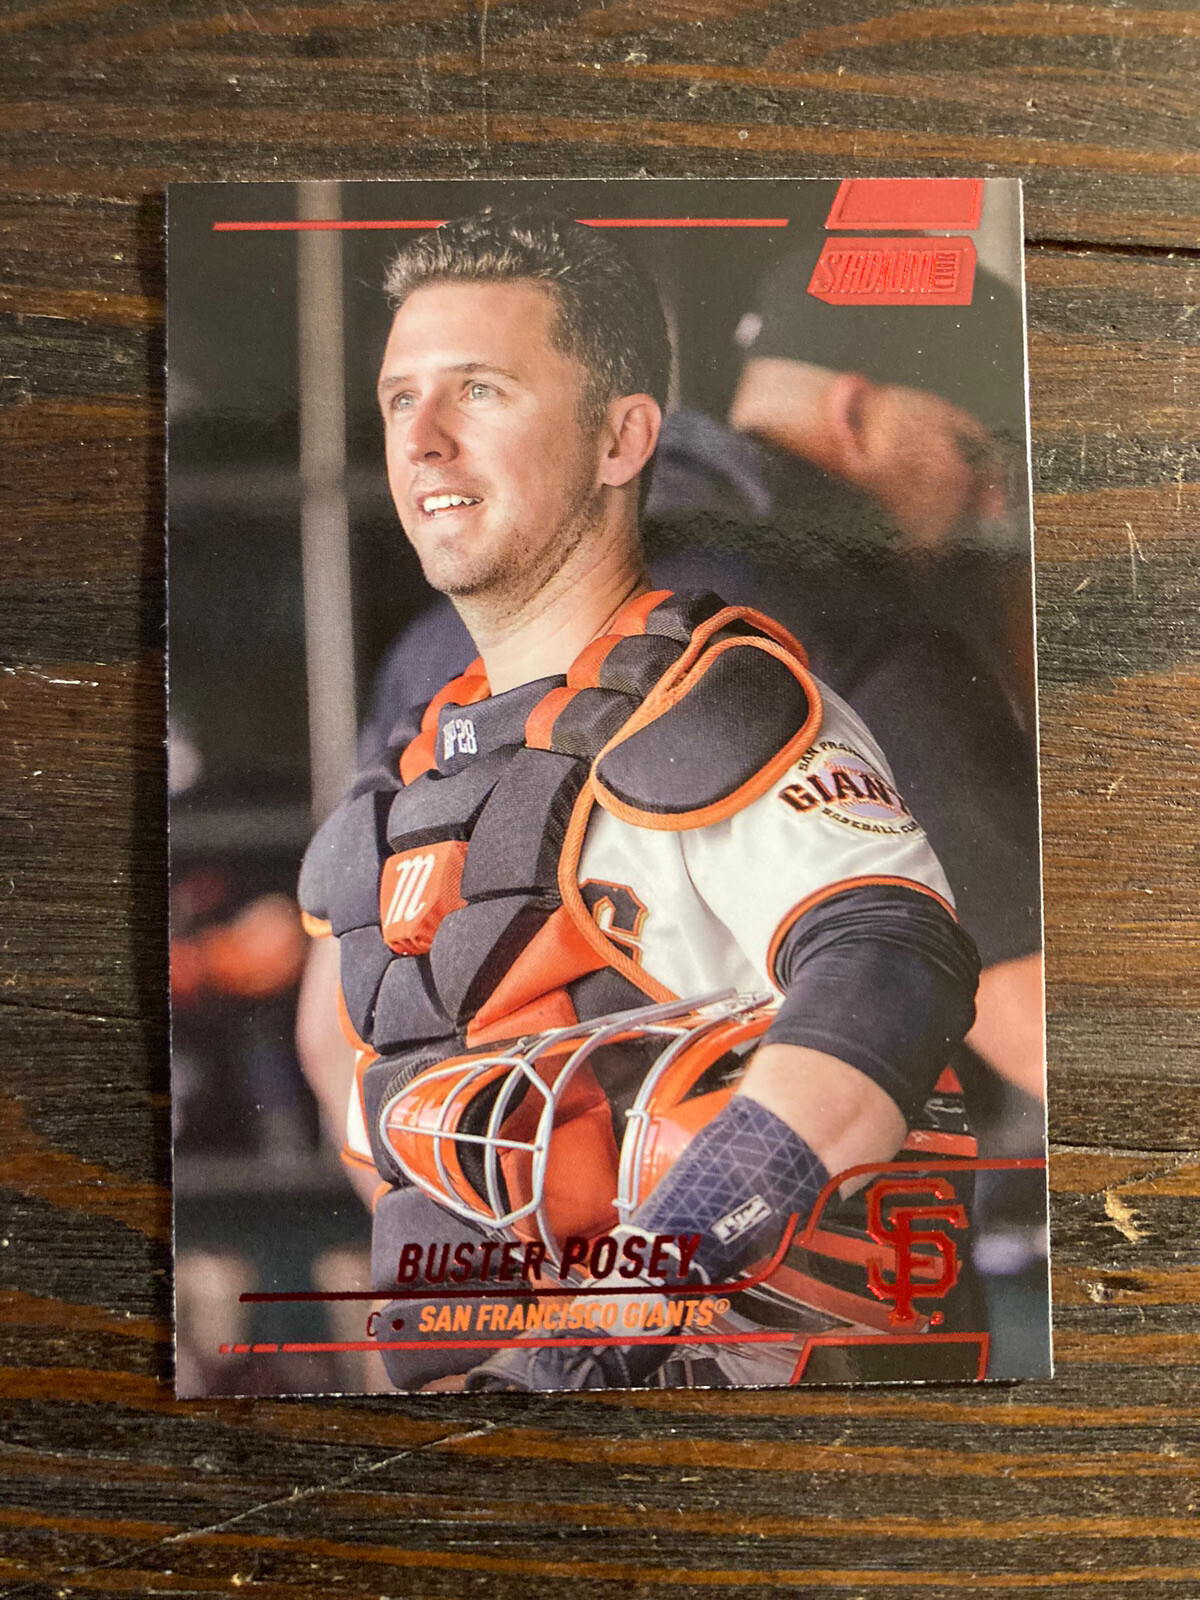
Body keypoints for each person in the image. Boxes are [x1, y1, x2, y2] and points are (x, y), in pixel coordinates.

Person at [297, 209, 982, 1392]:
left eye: (481, 391)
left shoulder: (712, 706)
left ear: (621, 438)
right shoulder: (418, 765)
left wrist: (632, 1293)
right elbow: (352, 1066)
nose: (425, 439)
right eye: (402, 398)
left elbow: (890, 969)